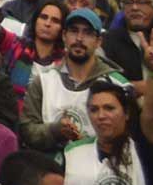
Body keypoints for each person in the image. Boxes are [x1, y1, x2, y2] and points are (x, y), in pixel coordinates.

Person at [19, 8, 127, 153]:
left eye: (87, 33)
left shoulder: (117, 84)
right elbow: (27, 129)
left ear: (98, 41)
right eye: (74, 31)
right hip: (52, 169)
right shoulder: (43, 81)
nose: (79, 38)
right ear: (64, 36)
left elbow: (130, 135)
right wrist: (55, 131)